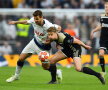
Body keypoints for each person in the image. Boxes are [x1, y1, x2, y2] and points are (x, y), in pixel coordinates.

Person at [6, 10, 62, 84]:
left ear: (42, 17)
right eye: (35, 19)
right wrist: (15, 22)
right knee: (21, 58)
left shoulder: (48, 26)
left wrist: (50, 40)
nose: (35, 21)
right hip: (34, 42)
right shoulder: (34, 20)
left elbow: (59, 28)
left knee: (45, 67)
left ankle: (57, 72)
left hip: (44, 47)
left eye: (37, 19)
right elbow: (26, 22)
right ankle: (16, 76)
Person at [90, 1, 108, 76]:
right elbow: (101, 26)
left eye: (107, 7)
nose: (106, 8)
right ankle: (103, 71)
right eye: (105, 7)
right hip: (103, 38)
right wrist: (93, 31)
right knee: (101, 54)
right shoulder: (102, 16)